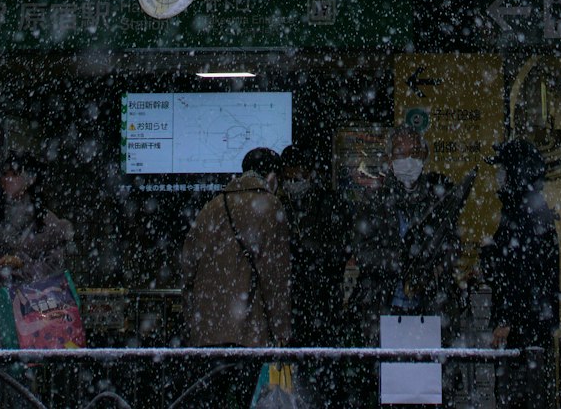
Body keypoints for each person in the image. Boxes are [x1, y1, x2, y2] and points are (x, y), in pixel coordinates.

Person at [0, 151, 74, 408]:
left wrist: (23, 265)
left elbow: (54, 269)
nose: (7, 180)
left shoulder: (46, 225)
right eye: (5, 174)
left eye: (14, 174)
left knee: (20, 393)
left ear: (30, 179)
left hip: (25, 317)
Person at [179, 146, 291, 409]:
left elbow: (187, 266)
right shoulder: (270, 206)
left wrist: (192, 317)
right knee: (243, 398)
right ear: (271, 176)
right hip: (248, 329)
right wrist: (282, 330)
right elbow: (275, 276)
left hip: (208, 329)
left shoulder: (213, 206)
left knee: (211, 400)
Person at [351, 127, 463, 334]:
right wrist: (399, 261)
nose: (408, 160)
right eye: (401, 153)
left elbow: (454, 245)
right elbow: (361, 252)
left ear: (424, 156)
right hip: (382, 308)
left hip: (431, 310)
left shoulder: (437, 200)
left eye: (415, 153)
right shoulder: (375, 201)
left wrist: (432, 269)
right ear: (390, 158)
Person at [479, 139, 559, 409]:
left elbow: (521, 273)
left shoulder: (522, 213)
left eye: (503, 169)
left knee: (516, 394)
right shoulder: (534, 211)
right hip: (533, 326)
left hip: (523, 330)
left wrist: (506, 318)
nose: (498, 176)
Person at [279, 145, 349, 402]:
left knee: (323, 376)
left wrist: (308, 256)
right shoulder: (280, 206)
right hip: (296, 306)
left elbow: (339, 250)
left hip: (322, 303)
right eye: (288, 176)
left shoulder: (328, 204)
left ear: (310, 173)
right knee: (295, 378)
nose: (293, 181)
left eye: (298, 175)